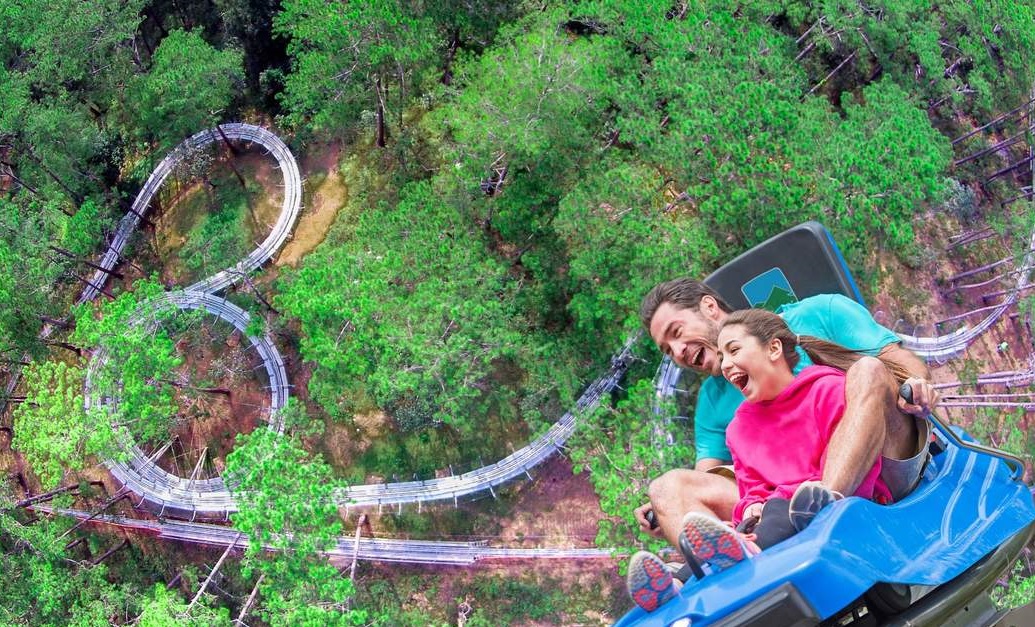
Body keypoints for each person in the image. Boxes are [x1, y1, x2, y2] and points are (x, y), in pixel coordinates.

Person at [626, 309, 915, 611]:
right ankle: (678, 584)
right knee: (751, 522)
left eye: (734, 350)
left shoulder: (826, 390)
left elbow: (854, 457)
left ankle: (740, 554)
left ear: (774, 348)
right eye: (722, 357)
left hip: (826, 505)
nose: (725, 365)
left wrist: (787, 499)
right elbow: (750, 487)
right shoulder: (739, 429)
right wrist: (751, 506)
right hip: (773, 519)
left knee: (778, 510)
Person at [634, 279, 938, 554]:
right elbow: (712, 479)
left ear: (709, 307)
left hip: (879, 468)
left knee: (869, 370)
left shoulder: (819, 314)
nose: (677, 352)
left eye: (677, 333)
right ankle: (713, 564)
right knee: (667, 489)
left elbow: (902, 365)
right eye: (667, 351)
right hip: (789, 496)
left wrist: (915, 387)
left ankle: (826, 507)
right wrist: (671, 509)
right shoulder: (714, 404)